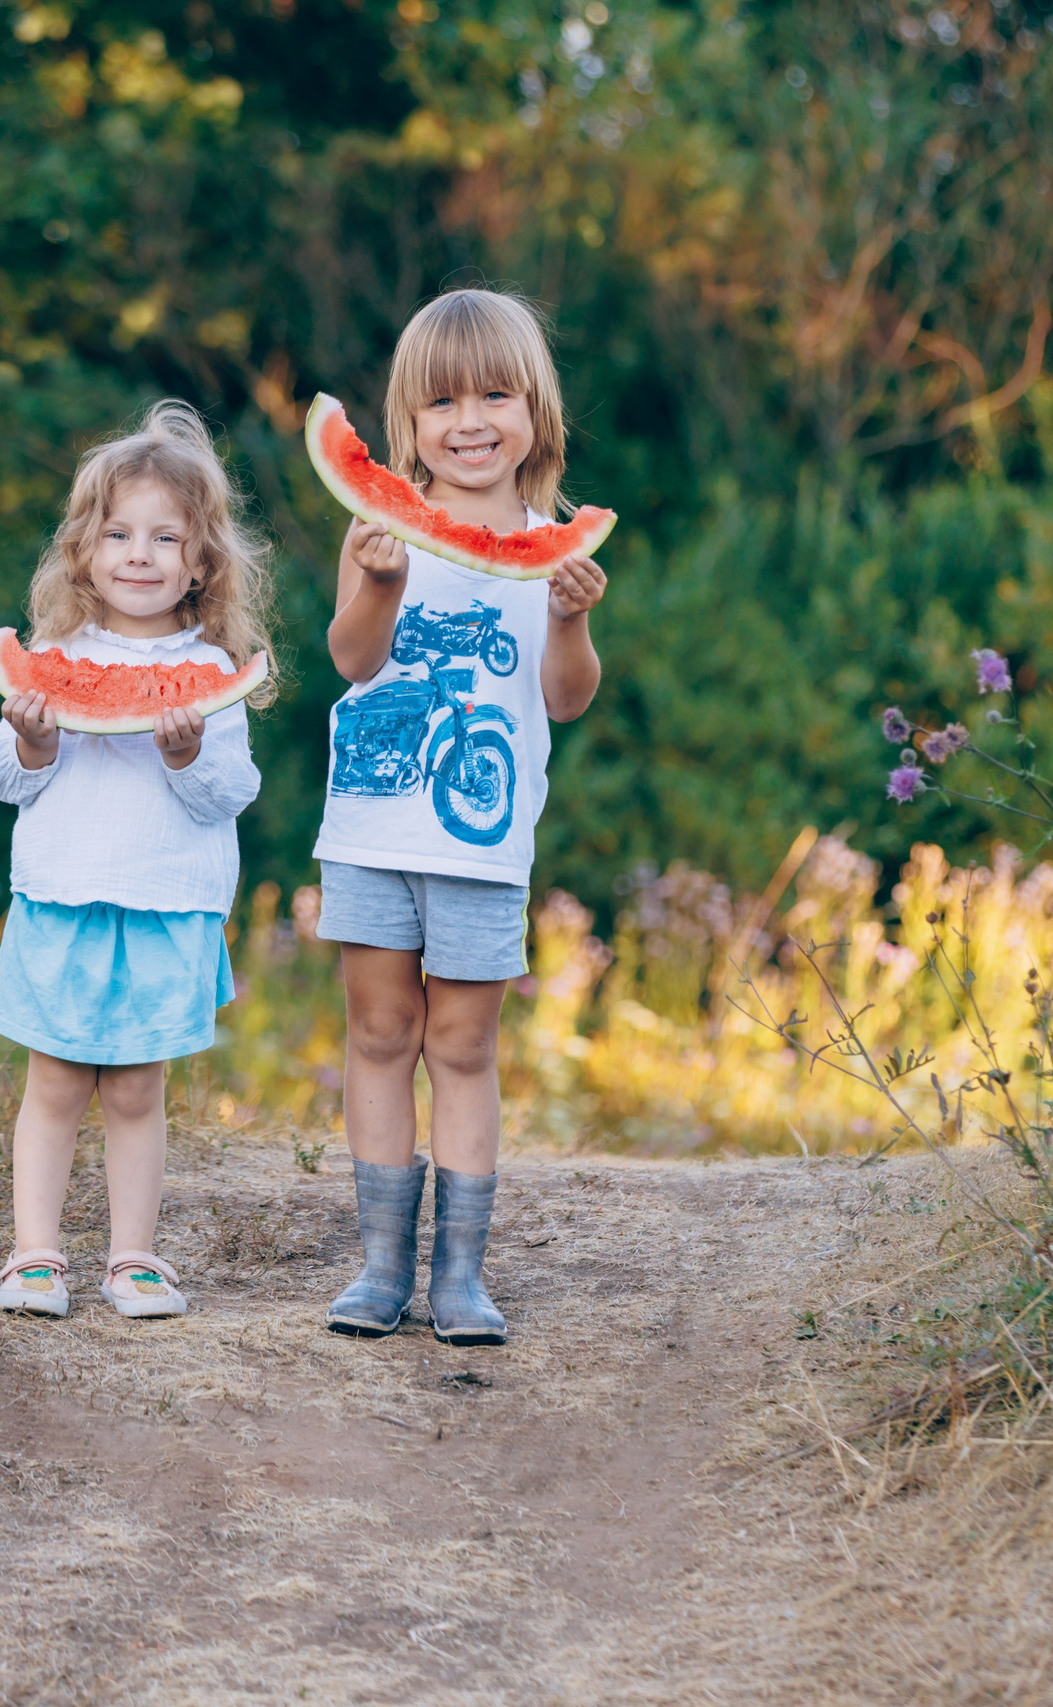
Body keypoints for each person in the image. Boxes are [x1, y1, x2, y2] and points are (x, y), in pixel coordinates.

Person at [314, 288, 607, 1346]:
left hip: (483, 846)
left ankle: (462, 1276)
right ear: (408, 422)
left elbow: (566, 699)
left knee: (465, 1047)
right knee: (380, 1033)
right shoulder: (378, 529)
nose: (469, 420)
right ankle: (381, 1266)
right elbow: (351, 661)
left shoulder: (554, 546)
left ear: (535, 410)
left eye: (495, 394)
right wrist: (381, 584)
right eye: (442, 402)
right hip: (368, 830)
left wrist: (569, 620)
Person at [0, 400, 273, 1321]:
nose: (138, 554)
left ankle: (133, 1258)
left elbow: (233, 791)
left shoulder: (214, 669)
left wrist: (185, 754)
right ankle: (34, 1255)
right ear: (85, 551)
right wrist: (32, 744)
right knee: (56, 1084)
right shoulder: (53, 658)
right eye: (117, 533)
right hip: (63, 897)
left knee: (139, 1092)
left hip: (164, 904)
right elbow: (0, 776)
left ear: (199, 561)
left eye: (164, 537)